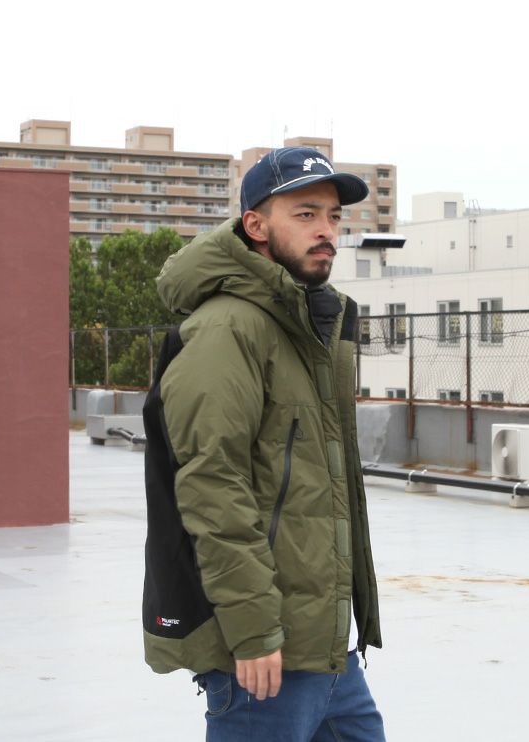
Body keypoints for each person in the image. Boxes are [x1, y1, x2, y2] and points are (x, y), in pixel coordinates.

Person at [142, 146, 385, 741]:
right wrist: (253, 631)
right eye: (305, 214)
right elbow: (212, 488)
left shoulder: (308, 328)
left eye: (333, 216)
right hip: (263, 656)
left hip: (327, 649)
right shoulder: (229, 328)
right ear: (255, 226)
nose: (326, 231)